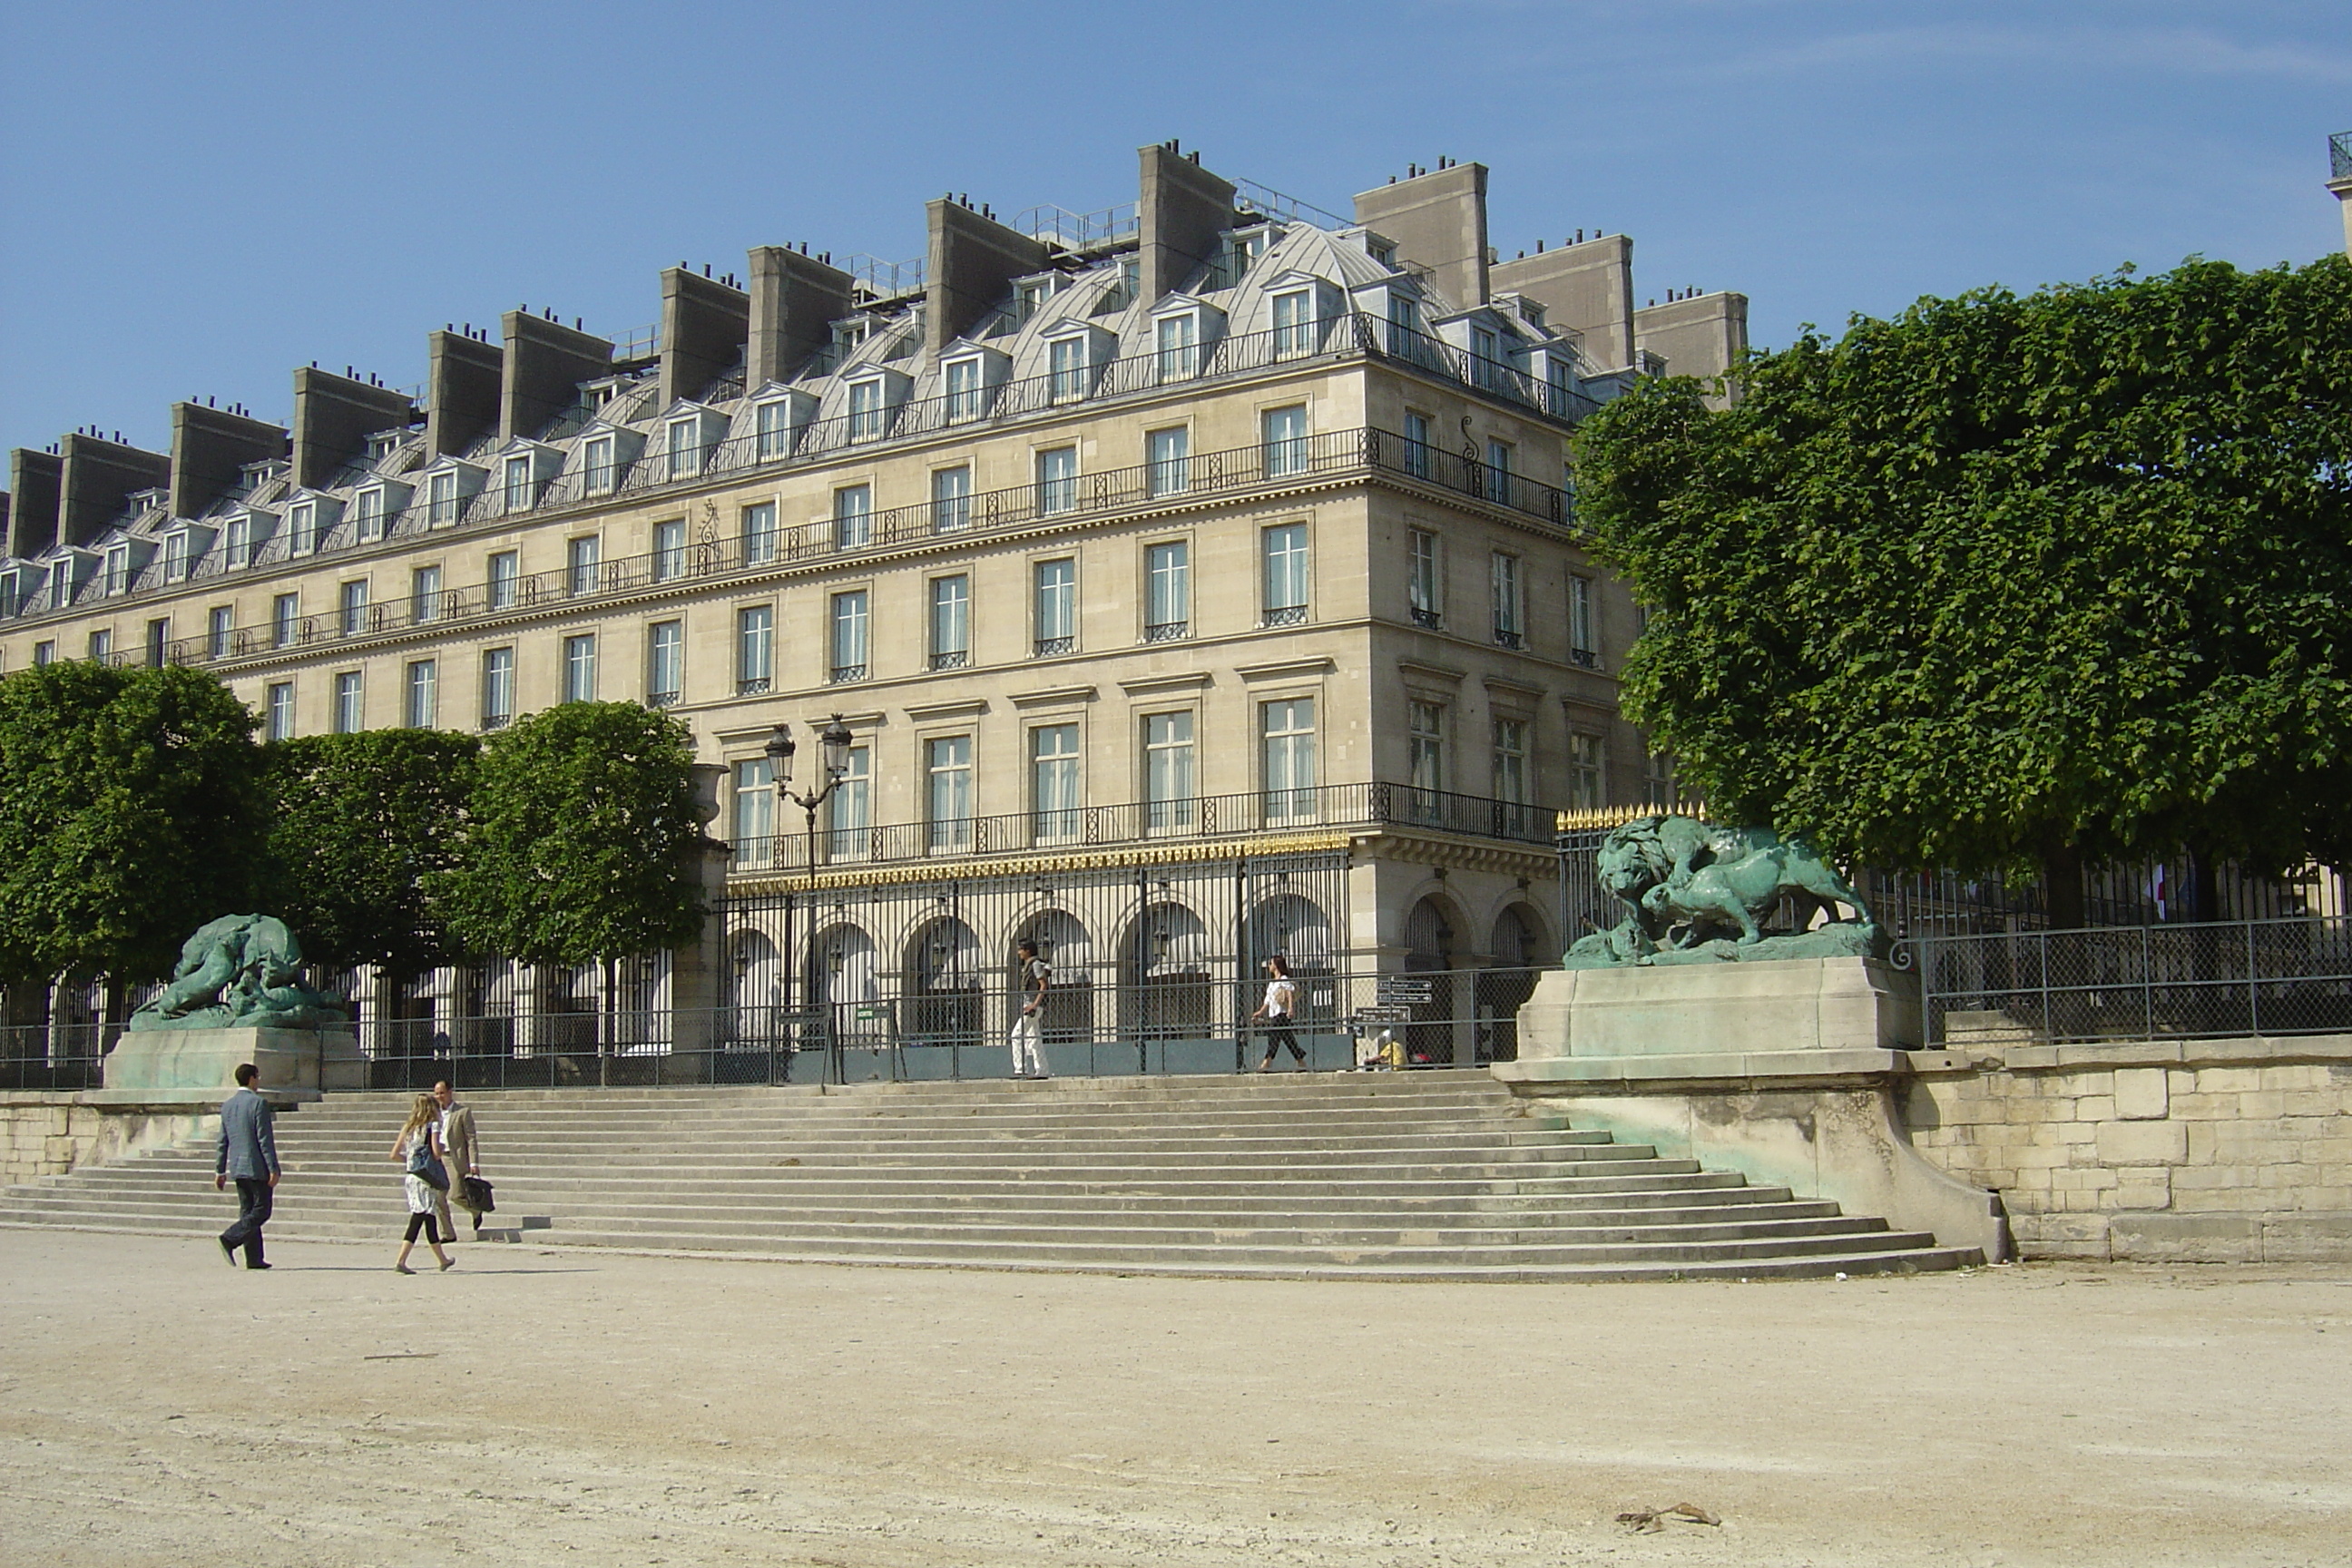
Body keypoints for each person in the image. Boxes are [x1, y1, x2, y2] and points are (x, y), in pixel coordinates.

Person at [214, 1062, 279, 1269]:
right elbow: (264, 1140)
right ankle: (229, 1238)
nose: (258, 1082)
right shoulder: (258, 1104)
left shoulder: (228, 1105)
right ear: (252, 1079)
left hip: (238, 1167)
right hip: (256, 1166)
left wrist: (220, 1169)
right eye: (258, 1077)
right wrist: (273, 1168)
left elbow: (223, 1140)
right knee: (262, 1211)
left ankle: (254, 1258)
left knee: (248, 1211)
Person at [388, 1093, 455, 1274]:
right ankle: (401, 1260)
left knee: (427, 1218)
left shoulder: (408, 1128)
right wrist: (441, 1148)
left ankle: (442, 1259)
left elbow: (394, 1154)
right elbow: (436, 1153)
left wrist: (411, 1161)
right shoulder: (432, 1126)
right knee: (421, 1216)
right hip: (426, 1178)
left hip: (411, 1176)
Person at [428, 1080, 485, 1240]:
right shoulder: (433, 1112)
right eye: (436, 1093)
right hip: (437, 1157)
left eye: (442, 1093)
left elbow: (471, 1138)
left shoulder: (462, 1112)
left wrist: (473, 1162)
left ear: (450, 1092)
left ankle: (475, 1210)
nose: (439, 1096)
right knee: (439, 1198)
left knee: (455, 1195)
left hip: (453, 1157)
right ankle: (447, 1233)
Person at [1007, 938, 1053, 1080]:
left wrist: (1035, 1004)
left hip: (1033, 1007)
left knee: (1016, 1035)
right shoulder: (1029, 965)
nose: (1019, 952)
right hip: (1031, 1005)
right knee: (1034, 1039)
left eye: (1021, 949)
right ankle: (1042, 1070)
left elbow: (1043, 985)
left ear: (1028, 950)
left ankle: (1020, 1069)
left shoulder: (1035, 964)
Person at [1251, 955, 1306, 1072]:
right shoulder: (1272, 984)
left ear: (1276, 966)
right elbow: (1268, 1000)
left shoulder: (1283, 979)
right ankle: (1301, 1061)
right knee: (1288, 1039)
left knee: (1273, 1037)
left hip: (1282, 1014)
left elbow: (1289, 991)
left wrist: (1291, 1008)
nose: (1269, 966)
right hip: (1274, 1014)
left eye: (1271, 963)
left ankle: (1267, 1062)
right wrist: (1260, 1012)